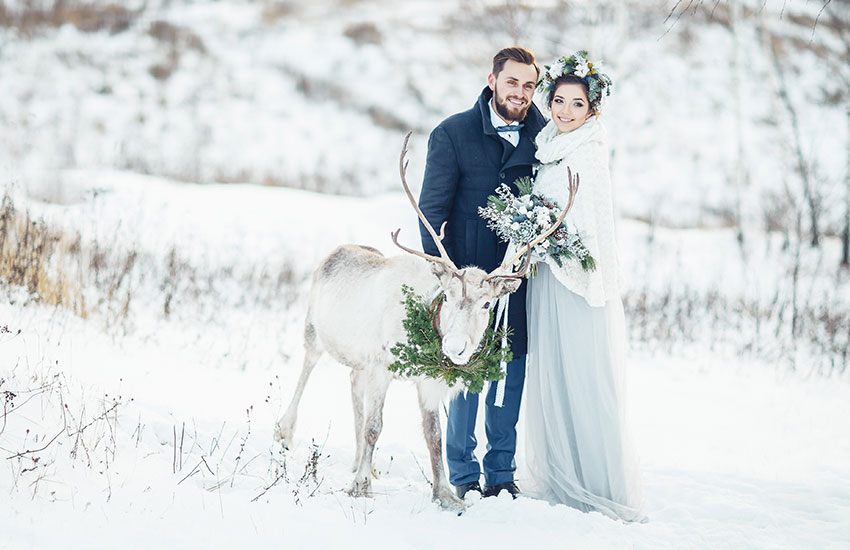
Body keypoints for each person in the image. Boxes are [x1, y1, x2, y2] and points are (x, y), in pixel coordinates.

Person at [418, 46, 546, 499]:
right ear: (492, 81)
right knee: (464, 368)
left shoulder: (545, 137)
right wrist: (448, 280)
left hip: (515, 279)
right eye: (512, 82)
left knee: (510, 369)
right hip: (466, 282)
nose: (520, 92)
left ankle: (501, 473)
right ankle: (462, 473)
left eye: (529, 85)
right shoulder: (452, 133)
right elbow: (431, 214)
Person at [522, 51, 645, 521]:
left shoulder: (589, 151)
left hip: (576, 280)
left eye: (577, 104)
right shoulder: (548, 145)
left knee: (584, 377)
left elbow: (593, 225)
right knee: (554, 374)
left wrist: (554, 240)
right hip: (546, 280)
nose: (566, 111)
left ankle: (598, 484)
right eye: (559, 101)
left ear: (592, 109)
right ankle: (562, 475)